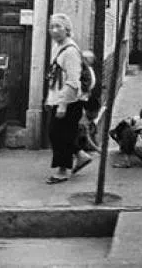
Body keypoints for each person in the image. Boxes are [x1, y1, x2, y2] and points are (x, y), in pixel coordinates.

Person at [45, 13, 94, 184]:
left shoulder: (70, 51)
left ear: (67, 30)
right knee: (59, 134)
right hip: (59, 98)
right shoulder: (57, 46)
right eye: (52, 26)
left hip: (70, 101)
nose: (54, 30)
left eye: (59, 26)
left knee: (59, 135)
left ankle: (63, 170)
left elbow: (73, 81)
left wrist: (62, 106)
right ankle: (80, 156)